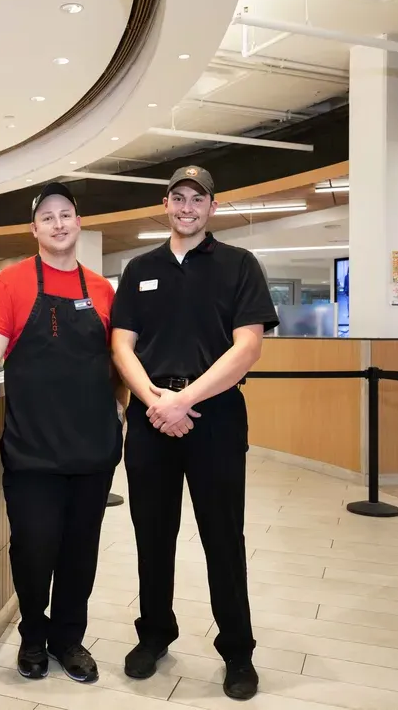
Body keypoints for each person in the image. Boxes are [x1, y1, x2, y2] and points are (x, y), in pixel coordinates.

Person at [0, 182, 122, 684]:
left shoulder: (102, 289)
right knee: (34, 546)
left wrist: (130, 406)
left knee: (80, 550)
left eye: (67, 214)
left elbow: (117, 358)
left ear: (78, 222)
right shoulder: (13, 282)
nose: (59, 223)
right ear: (35, 229)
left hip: (92, 446)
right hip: (33, 447)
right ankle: (33, 638)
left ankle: (69, 639)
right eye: (48, 217)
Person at [110, 165, 278, 701]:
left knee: (223, 539)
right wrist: (155, 400)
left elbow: (247, 347)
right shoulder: (139, 268)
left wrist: (185, 399)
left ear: (212, 206)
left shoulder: (239, 265)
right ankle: (155, 633)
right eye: (178, 198)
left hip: (215, 417)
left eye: (197, 199)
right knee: (151, 534)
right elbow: (121, 346)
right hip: (151, 415)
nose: (187, 207)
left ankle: (237, 651)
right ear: (166, 204)